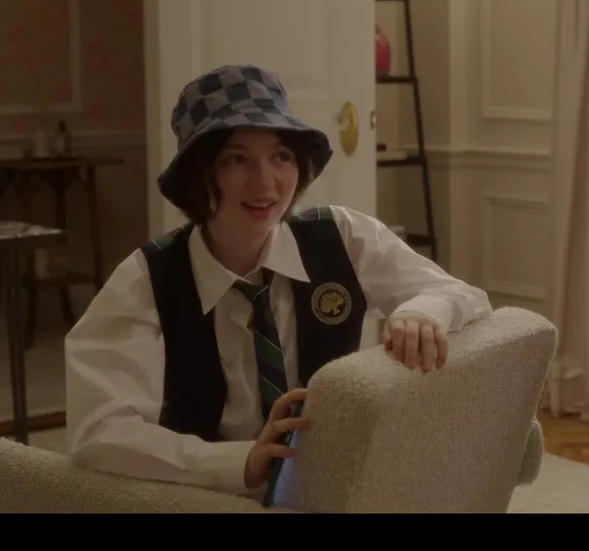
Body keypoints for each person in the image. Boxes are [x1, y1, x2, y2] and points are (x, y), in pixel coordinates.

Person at [64, 64, 493, 497]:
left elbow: (458, 294)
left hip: (333, 485)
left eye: (281, 157)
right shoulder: (146, 280)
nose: (266, 183)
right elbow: (99, 432)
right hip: (209, 497)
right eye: (236, 159)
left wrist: (421, 312)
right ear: (198, 173)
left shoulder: (342, 237)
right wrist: (241, 461)